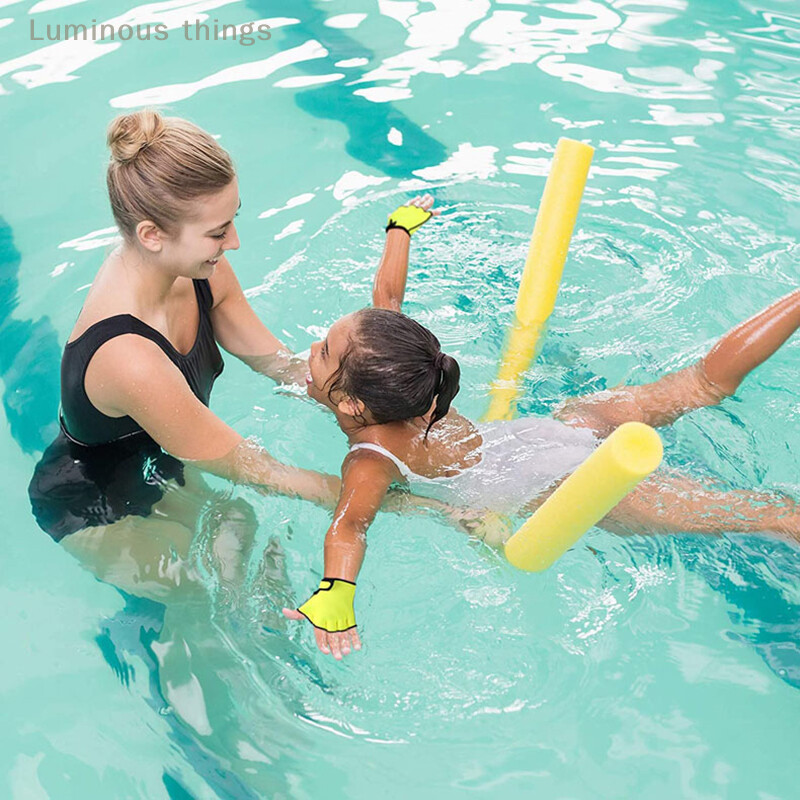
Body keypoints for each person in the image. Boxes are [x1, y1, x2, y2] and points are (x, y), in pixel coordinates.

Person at [283, 199, 800, 659]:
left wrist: (337, 591)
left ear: (351, 403)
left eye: (324, 350)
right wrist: (400, 229)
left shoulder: (369, 458)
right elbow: (388, 298)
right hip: (552, 431)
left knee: (771, 516)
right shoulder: (414, 378)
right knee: (699, 382)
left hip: (565, 488)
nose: (312, 351)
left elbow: (350, 524)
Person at [27, 111, 464, 604]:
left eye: (233, 219)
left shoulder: (199, 270)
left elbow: (283, 368)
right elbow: (264, 471)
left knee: (241, 532)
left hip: (167, 459)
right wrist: (423, 508)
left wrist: (388, 409)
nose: (233, 241)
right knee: (205, 605)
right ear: (152, 234)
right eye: (218, 232)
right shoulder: (129, 359)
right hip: (102, 503)